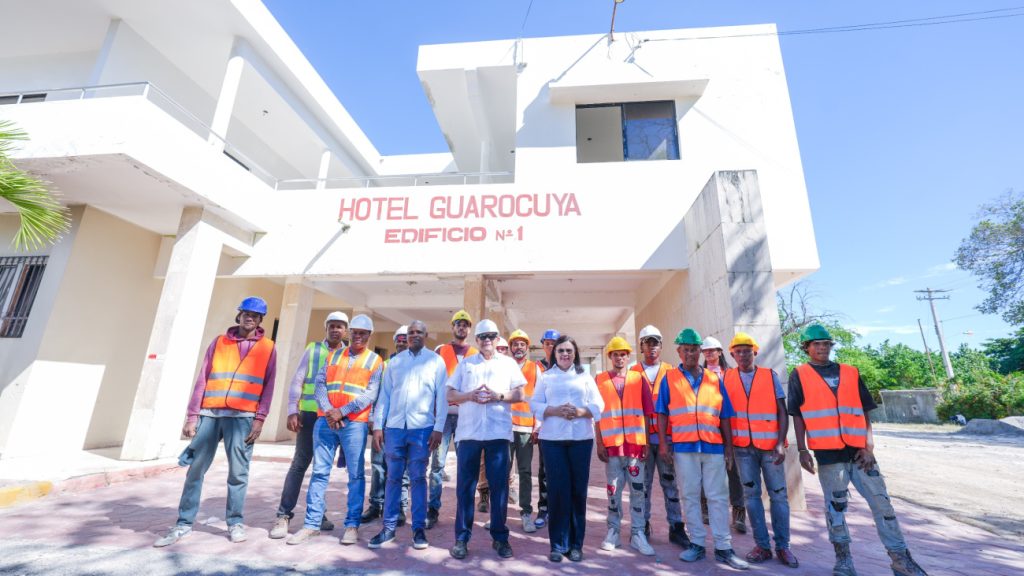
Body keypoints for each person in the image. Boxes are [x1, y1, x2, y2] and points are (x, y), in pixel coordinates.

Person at [789, 325, 928, 576]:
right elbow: (797, 415)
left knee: (883, 505)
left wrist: (868, 446)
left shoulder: (850, 373)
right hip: (828, 454)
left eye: (826, 344)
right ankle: (843, 561)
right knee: (836, 508)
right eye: (816, 344)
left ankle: (901, 560)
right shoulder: (799, 374)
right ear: (806, 348)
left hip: (860, 453)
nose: (822, 348)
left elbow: (865, 411)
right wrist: (802, 450)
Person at [154, 297, 276, 547]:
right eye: (245, 313)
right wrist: (192, 416)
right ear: (239, 315)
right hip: (210, 415)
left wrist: (260, 419)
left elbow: (269, 386)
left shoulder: (268, 347)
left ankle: (235, 522)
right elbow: (203, 378)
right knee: (195, 470)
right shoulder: (219, 342)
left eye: (255, 314)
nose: (249, 317)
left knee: (238, 473)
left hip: (243, 418)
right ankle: (183, 523)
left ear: (261, 319)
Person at [656, 328, 748, 570]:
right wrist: (664, 444)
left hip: (713, 446)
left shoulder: (714, 378)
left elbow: (725, 415)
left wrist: (728, 447)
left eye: (694, 349)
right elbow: (662, 413)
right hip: (684, 447)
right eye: (686, 349)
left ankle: (723, 547)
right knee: (690, 495)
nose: (690, 353)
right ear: (679, 351)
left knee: (718, 496)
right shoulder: (669, 378)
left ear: (700, 351)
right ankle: (696, 543)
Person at [287, 314, 382, 546]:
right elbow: (320, 384)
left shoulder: (375, 361)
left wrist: (343, 411)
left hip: (354, 424)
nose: (358, 336)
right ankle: (311, 524)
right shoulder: (333, 355)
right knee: (319, 473)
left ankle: (351, 525)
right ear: (350, 333)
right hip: (325, 421)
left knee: (356, 475)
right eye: (355, 332)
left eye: (363, 333)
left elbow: (371, 393)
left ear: (369, 336)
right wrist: (330, 410)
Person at [445, 319, 527, 560]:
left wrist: (498, 396)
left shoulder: (509, 364)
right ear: (477, 340)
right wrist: (469, 395)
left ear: (497, 338)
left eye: (491, 335)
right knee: (465, 489)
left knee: (499, 489)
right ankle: (461, 538)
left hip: (497, 434)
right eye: (483, 336)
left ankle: (500, 538)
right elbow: (450, 393)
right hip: (469, 433)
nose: (487, 340)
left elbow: (520, 393)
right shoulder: (466, 364)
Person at [368, 321, 448, 551]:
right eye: (410, 333)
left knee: (418, 478)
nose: (414, 336)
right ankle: (388, 528)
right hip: (394, 429)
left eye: (418, 332)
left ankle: (418, 530)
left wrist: (439, 427)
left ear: (426, 335)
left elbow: (441, 397)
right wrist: (378, 427)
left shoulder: (435, 361)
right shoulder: (394, 362)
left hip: (422, 428)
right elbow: (384, 396)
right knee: (392, 478)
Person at [269, 311, 347, 539]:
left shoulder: (347, 354)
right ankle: (283, 516)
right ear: (326, 328)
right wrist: (293, 409)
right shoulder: (313, 349)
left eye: (340, 326)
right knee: (300, 463)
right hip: (310, 415)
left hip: (333, 418)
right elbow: (298, 379)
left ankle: (317, 514)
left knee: (322, 467)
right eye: (331, 325)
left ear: (345, 330)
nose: (335, 329)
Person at [723, 332, 798, 567]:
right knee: (751, 497)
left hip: (770, 448)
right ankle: (762, 545)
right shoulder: (727, 378)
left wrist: (780, 442)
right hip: (742, 448)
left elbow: (781, 411)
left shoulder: (769, 375)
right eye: (738, 351)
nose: (743, 355)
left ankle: (783, 546)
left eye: (747, 350)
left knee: (778, 496)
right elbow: (724, 414)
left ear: (754, 352)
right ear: (733, 355)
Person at [531, 335, 603, 563]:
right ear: (554, 354)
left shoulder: (585, 376)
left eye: (569, 351)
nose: (564, 354)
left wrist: (580, 412)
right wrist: (553, 411)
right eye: (560, 350)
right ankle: (558, 544)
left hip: (581, 439)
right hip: (553, 440)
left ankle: (575, 545)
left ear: (575, 354)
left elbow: (599, 404)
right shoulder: (546, 377)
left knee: (577, 492)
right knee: (557, 491)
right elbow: (534, 404)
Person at [595, 337, 656, 556]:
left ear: (628, 356)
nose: (619, 358)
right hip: (612, 448)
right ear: (609, 357)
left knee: (638, 491)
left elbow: (649, 415)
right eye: (615, 354)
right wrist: (600, 442)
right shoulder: (600, 380)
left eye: (623, 354)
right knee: (613, 490)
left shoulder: (638, 379)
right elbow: (596, 416)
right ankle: (613, 531)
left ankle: (638, 533)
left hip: (635, 447)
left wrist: (647, 442)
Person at [630, 325, 688, 548]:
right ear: (641, 346)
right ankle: (642, 526)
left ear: (661, 346)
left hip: (667, 439)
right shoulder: (633, 372)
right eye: (647, 343)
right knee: (641, 486)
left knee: (670, 485)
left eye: (655, 343)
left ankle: (676, 527)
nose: (651, 347)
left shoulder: (672, 372)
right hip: (642, 440)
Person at [427, 309, 478, 529]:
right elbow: (433, 380)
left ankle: (463, 509)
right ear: (452, 327)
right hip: (444, 416)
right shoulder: (441, 350)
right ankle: (433, 508)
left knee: (466, 465)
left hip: (467, 416)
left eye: (465, 324)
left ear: (469, 328)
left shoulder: (475, 352)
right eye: (458, 323)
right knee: (437, 464)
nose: (462, 327)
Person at [363, 325, 410, 526]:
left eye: (405, 339)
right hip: (383, 425)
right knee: (378, 467)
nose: (401, 342)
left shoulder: (415, 365)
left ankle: (400, 507)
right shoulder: (384, 365)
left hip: (405, 426)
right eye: (398, 338)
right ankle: (376, 504)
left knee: (402, 468)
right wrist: (373, 419)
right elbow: (375, 394)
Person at [702, 335, 746, 534]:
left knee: (733, 471)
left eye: (712, 350)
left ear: (720, 352)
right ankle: (705, 508)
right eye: (706, 351)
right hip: (708, 428)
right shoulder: (699, 374)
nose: (709, 354)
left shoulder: (731, 374)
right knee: (705, 471)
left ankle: (738, 511)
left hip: (730, 429)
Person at [508, 329, 543, 533]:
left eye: (522, 344)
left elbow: (538, 399)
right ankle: (499, 515)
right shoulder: (504, 366)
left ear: (527, 348)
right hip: (504, 428)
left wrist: (537, 426)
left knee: (525, 472)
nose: (518, 347)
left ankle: (526, 513)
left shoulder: (534, 369)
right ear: (511, 348)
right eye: (515, 344)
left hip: (524, 429)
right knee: (501, 472)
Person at [532, 327, 560, 528]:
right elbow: (534, 399)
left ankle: (559, 507)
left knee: (563, 469)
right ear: (543, 345)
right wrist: (536, 424)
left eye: (554, 344)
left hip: (563, 426)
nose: (550, 347)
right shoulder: (537, 368)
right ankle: (544, 507)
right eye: (547, 343)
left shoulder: (566, 366)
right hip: (545, 426)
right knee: (545, 469)